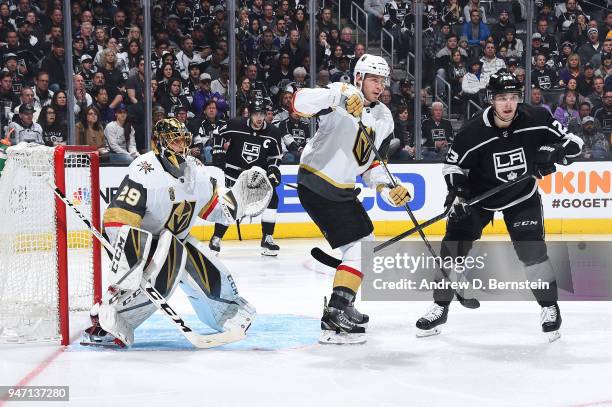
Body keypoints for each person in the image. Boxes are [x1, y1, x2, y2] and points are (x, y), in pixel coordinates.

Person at [415, 70, 583, 342]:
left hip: (521, 196)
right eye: (502, 98)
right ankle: (439, 306)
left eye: (513, 97)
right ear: (491, 99)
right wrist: (458, 192)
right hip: (478, 198)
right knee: (452, 250)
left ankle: (549, 307)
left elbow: (575, 144)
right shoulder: (472, 132)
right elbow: (452, 164)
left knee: (533, 254)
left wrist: (555, 153)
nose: (508, 104)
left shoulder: (538, 119)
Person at [81, 118, 264, 347]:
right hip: (147, 243)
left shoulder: (195, 169)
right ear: (160, 143)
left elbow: (212, 207)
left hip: (178, 239)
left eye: (182, 140)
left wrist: (240, 202)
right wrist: (133, 259)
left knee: (209, 269)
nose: (181, 145)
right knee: (159, 283)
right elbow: (119, 217)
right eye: (174, 140)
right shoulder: (144, 170)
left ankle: (228, 315)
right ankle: (108, 323)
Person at [292, 54, 411, 344]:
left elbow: (370, 163)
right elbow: (298, 103)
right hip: (318, 181)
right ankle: (334, 313)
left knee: (364, 245)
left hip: (340, 188)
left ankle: (344, 303)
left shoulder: (383, 116)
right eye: (373, 78)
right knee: (360, 247)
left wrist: (388, 187)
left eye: (382, 80)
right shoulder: (340, 93)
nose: (379, 85)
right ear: (358, 78)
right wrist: (337, 97)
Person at [210, 98, 284, 256]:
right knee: (229, 204)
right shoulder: (236, 124)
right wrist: (218, 153)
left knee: (273, 199)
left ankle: (267, 239)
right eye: (256, 114)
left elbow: (276, 156)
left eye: (262, 114)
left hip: (256, 178)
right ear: (249, 114)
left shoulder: (273, 132)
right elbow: (218, 133)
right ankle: (216, 238)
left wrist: (273, 169)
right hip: (233, 174)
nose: (259, 118)